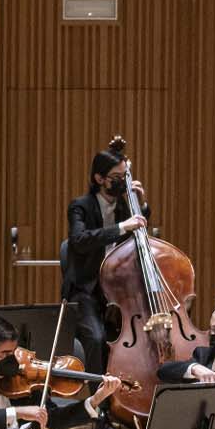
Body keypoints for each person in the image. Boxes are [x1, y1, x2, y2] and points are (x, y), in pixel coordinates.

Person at [64, 145, 151, 376]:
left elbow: (139, 240)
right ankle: (97, 400)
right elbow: (80, 240)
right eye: (116, 177)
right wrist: (122, 226)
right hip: (87, 290)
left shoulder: (125, 206)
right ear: (99, 178)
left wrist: (140, 206)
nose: (122, 182)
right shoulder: (80, 206)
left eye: (125, 176)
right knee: (96, 338)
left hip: (120, 290)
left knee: (141, 335)